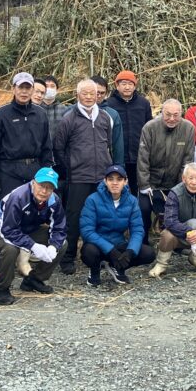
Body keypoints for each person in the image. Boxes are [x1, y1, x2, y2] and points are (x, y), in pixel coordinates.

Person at [0, 73, 55, 281]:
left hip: (34, 169)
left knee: (31, 214)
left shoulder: (40, 114)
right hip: (9, 169)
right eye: (20, 87)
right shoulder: (2, 113)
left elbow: (47, 147)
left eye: (28, 88)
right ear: (13, 89)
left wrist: (47, 173)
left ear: (32, 89)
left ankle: (23, 259)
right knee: (4, 215)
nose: (24, 91)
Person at [52, 78, 113, 274]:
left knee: (101, 217)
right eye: (84, 93)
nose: (88, 97)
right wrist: (70, 168)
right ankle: (67, 257)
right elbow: (59, 147)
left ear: (98, 95)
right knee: (74, 218)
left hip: (101, 177)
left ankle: (96, 256)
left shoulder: (104, 117)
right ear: (77, 95)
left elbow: (108, 144)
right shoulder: (69, 118)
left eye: (92, 93)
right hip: (78, 177)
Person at [0, 167, 67, 305]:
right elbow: (8, 231)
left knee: (62, 244)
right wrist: (33, 246)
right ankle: (2, 289)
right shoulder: (18, 197)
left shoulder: (54, 200)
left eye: (49, 188)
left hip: (29, 229)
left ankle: (34, 279)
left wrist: (53, 246)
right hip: (0, 229)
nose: (44, 191)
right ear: (33, 182)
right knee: (11, 249)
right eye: (41, 185)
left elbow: (59, 227)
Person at [80, 164, 155, 287]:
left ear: (125, 182)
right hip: (97, 245)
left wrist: (130, 251)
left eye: (119, 179)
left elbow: (137, 230)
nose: (115, 183)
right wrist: (110, 250)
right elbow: (87, 231)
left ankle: (118, 266)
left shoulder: (132, 201)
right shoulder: (92, 200)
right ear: (105, 181)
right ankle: (94, 270)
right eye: (111, 179)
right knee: (89, 251)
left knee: (148, 253)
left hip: (118, 243)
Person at [136, 99, 195, 245]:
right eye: (168, 114)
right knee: (143, 208)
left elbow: (187, 160)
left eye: (176, 115)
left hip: (174, 181)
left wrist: (181, 187)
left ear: (181, 113)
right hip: (151, 182)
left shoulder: (188, 128)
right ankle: (142, 242)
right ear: (162, 112)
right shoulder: (150, 127)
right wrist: (144, 185)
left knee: (181, 210)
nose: (172, 119)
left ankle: (177, 243)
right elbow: (143, 159)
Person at [149, 162, 196, 277]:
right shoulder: (174, 193)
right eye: (190, 178)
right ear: (184, 179)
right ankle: (161, 264)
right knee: (166, 235)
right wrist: (189, 232)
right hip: (179, 234)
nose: (194, 182)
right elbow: (170, 221)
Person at [105, 70, 153, 193]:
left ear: (135, 86)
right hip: (117, 155)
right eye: (123, 84)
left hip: (139, 154)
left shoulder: (143, 103)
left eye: (130, 84)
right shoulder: (109, 104)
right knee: (118, 188)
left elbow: (149, 127)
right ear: (117, 85)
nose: (127, 87)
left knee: (137, 188)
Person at [92, 75, 126, 167]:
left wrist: (119, 167)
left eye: (102, 93)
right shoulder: (73, 112)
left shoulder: (112, 114)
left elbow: (117, 144)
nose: (99, 96)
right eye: (96, 92)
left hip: (104, 165)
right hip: (78, 167)